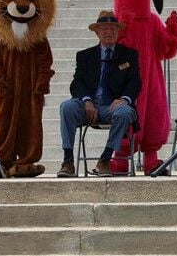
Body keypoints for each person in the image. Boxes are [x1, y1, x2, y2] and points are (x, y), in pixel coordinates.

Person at [56, 11, 141, 178]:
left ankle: (105, 159)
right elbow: (76, 84)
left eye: (112, 28)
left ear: (118, 31)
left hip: (113, 106)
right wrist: (86, 100)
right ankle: (68, 160)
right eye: (104, 29)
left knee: (125, 112)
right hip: (89, 106)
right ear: (97, 32)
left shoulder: (129, 55)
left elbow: (135, 82)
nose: (109, 32)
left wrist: (124, 99)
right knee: (66, 107)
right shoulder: (84, 56)